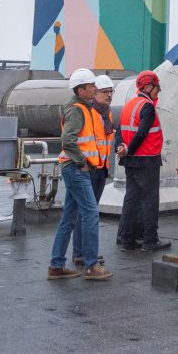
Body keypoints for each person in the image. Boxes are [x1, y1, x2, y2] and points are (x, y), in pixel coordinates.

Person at [47, 68, 112, 281]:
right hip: (76, 169)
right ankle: (91, 265)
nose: (96, 89)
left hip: (75, 168)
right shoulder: (77, 110)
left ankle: (56, 265)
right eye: (92, 86)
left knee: (69, 216)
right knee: (91, 213)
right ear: (81, 89)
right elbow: (68, 140)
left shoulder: (83, 108)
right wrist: (82, 162)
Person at [116, 70, 170, 252]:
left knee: (131, 199)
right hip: (147, 161)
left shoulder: (130, 105)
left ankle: (127, 239)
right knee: (149, 201)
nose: (159, 90)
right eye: (157, 87)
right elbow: (141, 133)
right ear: (147, 87)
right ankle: (150, 241)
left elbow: (119, 131)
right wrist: (129, 149)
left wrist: (122, 149)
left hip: (131, 162)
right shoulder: (147, 107)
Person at [70, 75, 116, 269]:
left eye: (111, 92)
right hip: (89, 168)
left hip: (100, 168)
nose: (109, 96)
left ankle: (84, 252)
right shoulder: (90, 113)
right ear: (95, 93)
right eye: (106, 92)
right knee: (87, 213)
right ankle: (82, 253)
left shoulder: (107, 114)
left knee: (87, 212)